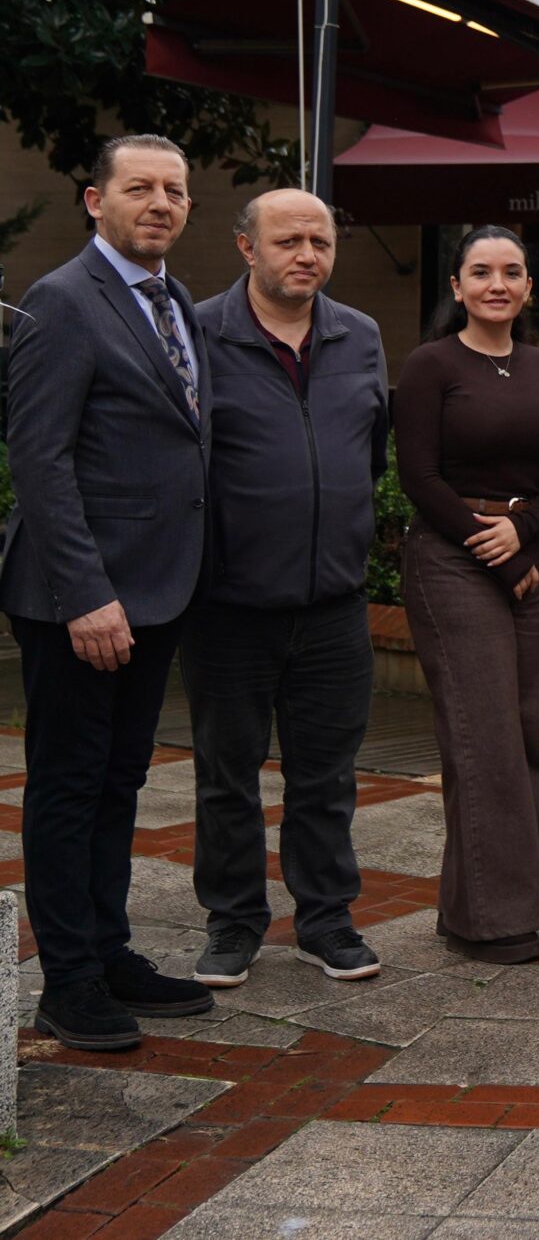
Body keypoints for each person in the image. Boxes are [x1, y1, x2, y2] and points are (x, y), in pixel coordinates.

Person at [2, 134, 217, 1049]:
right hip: (80, 598)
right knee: (68, 785)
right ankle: (69, 981)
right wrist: (85, 593)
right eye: (139, 187)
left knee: (119, 780)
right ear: (96, 200)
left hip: (158, 590)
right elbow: (39, 461)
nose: (160, 202)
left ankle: (106, 948)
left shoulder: (176, 300)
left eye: (174, 189)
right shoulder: (62, 300)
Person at [187, 189, 391, 991]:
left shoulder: (360, 334)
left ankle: (325, 919)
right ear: (247, 246)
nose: (307, 254)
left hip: (334, 602)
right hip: (228, 605)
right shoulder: (200, 332)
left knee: (327, 775)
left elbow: (370, 450)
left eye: (321, 240)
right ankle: (233, 921)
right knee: (225, 774)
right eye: (288, 240)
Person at [394, 226, 539, 964]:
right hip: (453, 556)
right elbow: (418, 476)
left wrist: (526, 532)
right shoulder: (431, 365)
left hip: (530, 549)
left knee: (536, 737)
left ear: (530, 287)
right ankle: (496, 921)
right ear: (457, 286)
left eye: (511, 271)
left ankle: (474, 907)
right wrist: (499, 553)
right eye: (481, 272)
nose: (496, 284)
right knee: (487, 740)